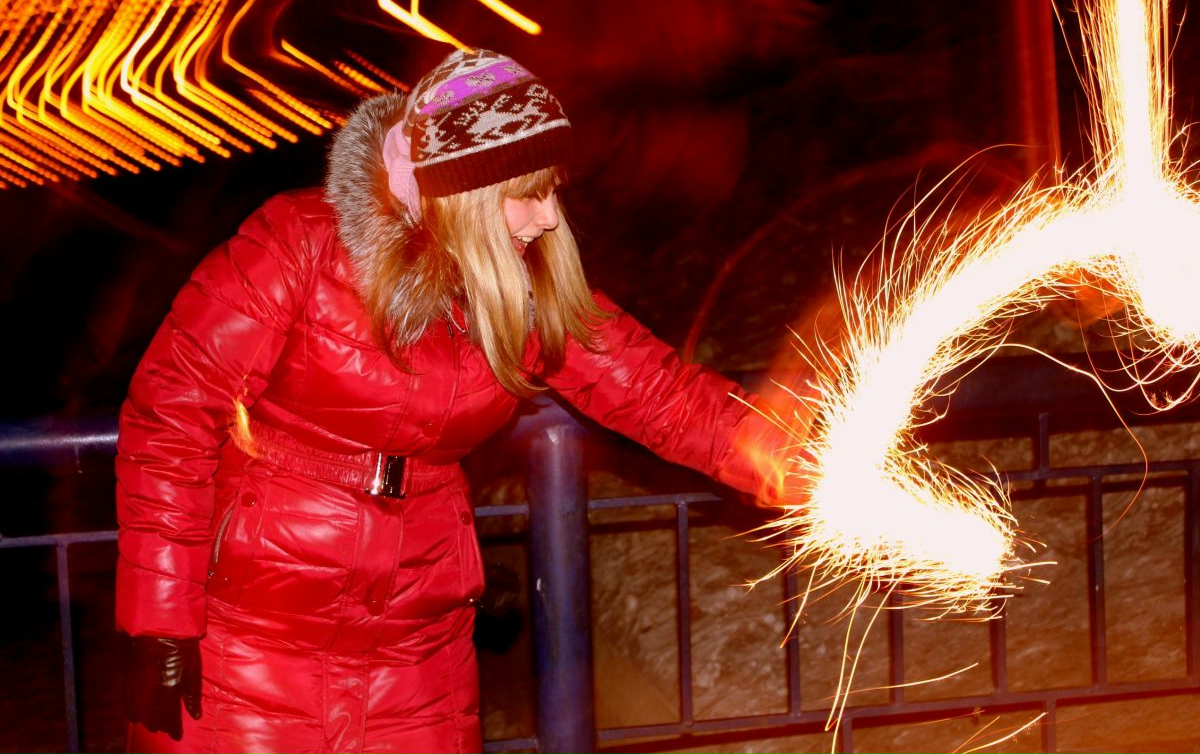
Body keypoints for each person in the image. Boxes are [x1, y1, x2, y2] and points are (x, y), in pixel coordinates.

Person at [115, 48, 793, 753]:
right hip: (255, 634)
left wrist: (786, 456)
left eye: (553, 189)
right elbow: (172, 413)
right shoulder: (300, 245)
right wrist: (160, 618)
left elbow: (657, 394)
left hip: (418, 647)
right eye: (526, 193)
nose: (549, 217)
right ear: (459, 195)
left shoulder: (522, 293)